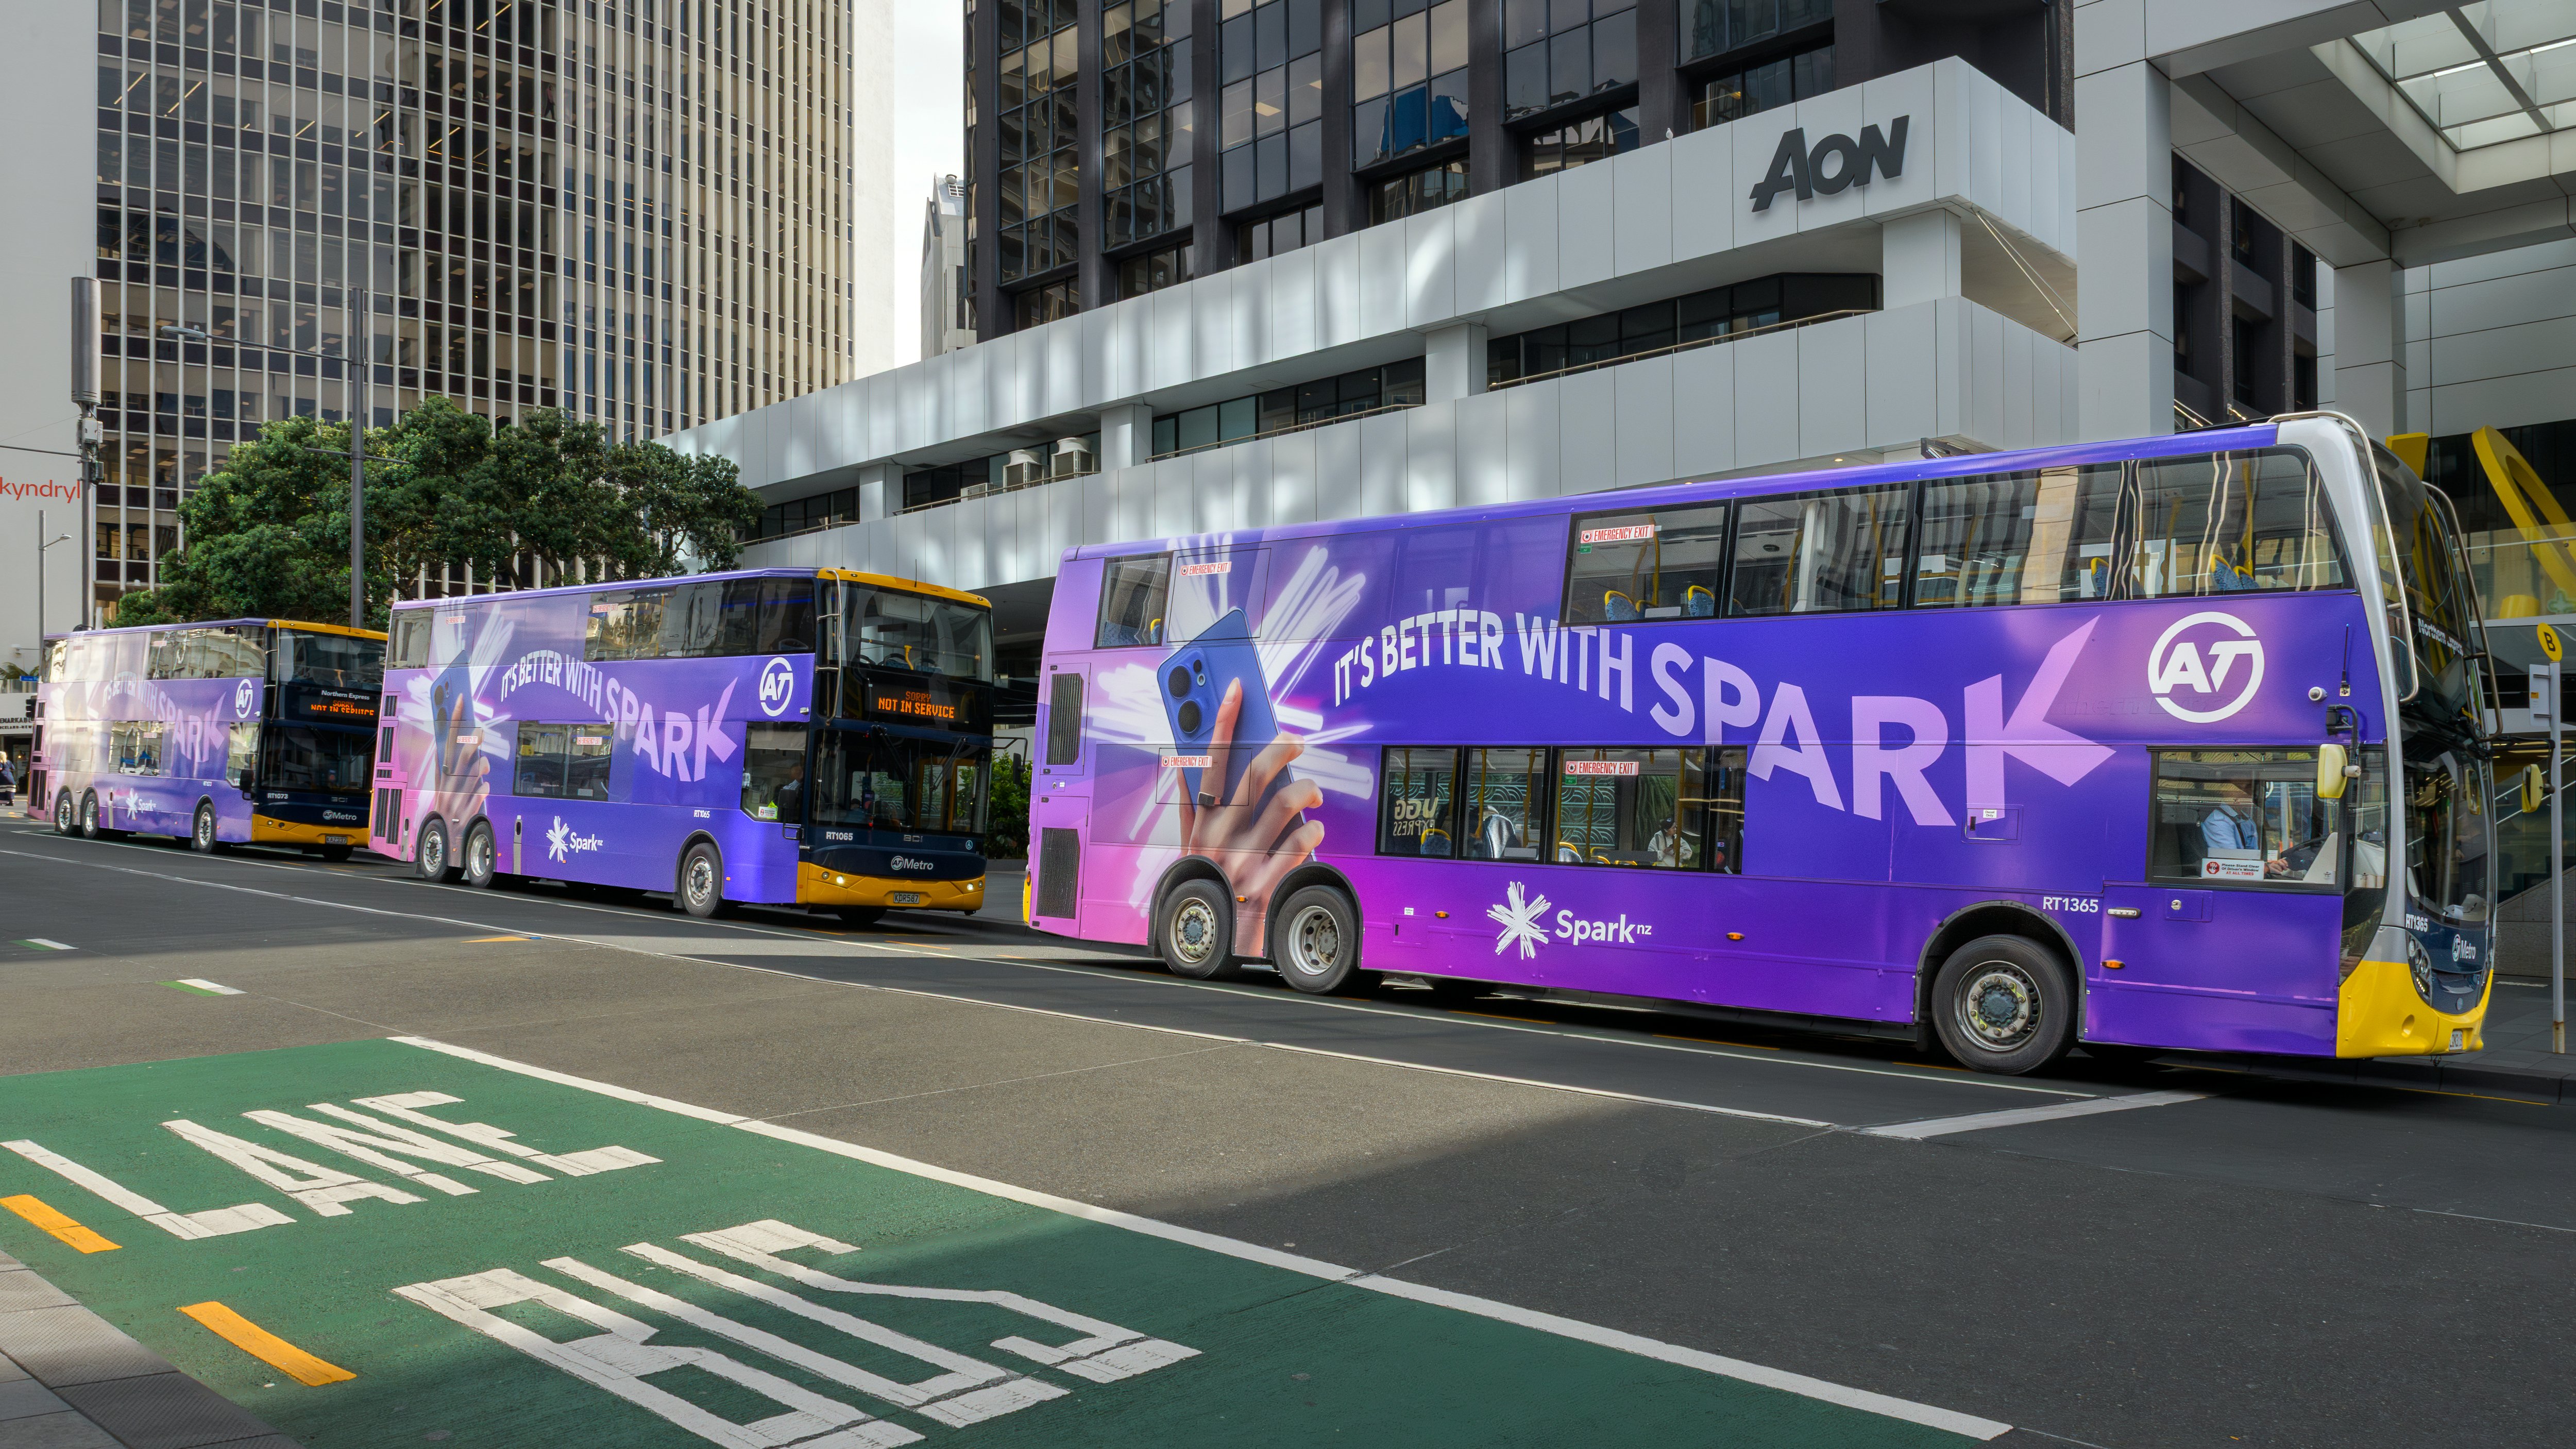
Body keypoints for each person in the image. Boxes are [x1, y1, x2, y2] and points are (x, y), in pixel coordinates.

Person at [2202, 779, 2289, 877]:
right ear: (2227, 792)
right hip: (2227, 879)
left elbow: (2253, 856)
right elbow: (2232, 862)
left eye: (2249, 788)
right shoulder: (2218, 821)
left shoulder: (2246, 819)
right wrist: (2263, 868)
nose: (2249, 793)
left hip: (2246, 875)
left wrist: (2269, 866)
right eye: (2241, 789)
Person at [771, 758, 804, 824]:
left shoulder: (803, 788)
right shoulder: (782, 788)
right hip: (782, 821)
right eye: (796, 772)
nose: (799, 774)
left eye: (800, 772)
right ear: (790, 774)